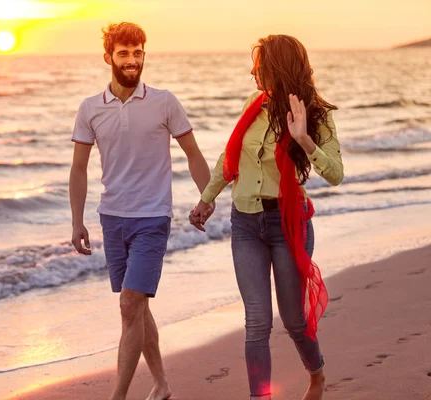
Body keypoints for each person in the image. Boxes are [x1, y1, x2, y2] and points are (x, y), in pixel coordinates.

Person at [190, 34, 344, 400]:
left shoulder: (315, 114)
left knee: (293, 321)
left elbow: (336, 173)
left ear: (277, 70)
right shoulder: (253, 105)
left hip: (287, 225)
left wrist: (304, 139)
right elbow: (229, 159)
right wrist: (206, 199)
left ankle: (317, 374)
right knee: (256, 321)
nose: (253, 73)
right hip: (245, 223)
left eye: (259, 68)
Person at [69, 22, 213, 400]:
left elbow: (193, 153)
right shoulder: (90, 109)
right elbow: (79, 169)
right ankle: (162, 385)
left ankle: (118, 396)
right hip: (112, 217)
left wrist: (207, 195)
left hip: (152, 217)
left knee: (130, 304)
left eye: (138, 52)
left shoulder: (164, 101)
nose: (132, 60)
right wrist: (77, 221)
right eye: (123, 53)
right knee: (138, 308)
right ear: (108, 58)